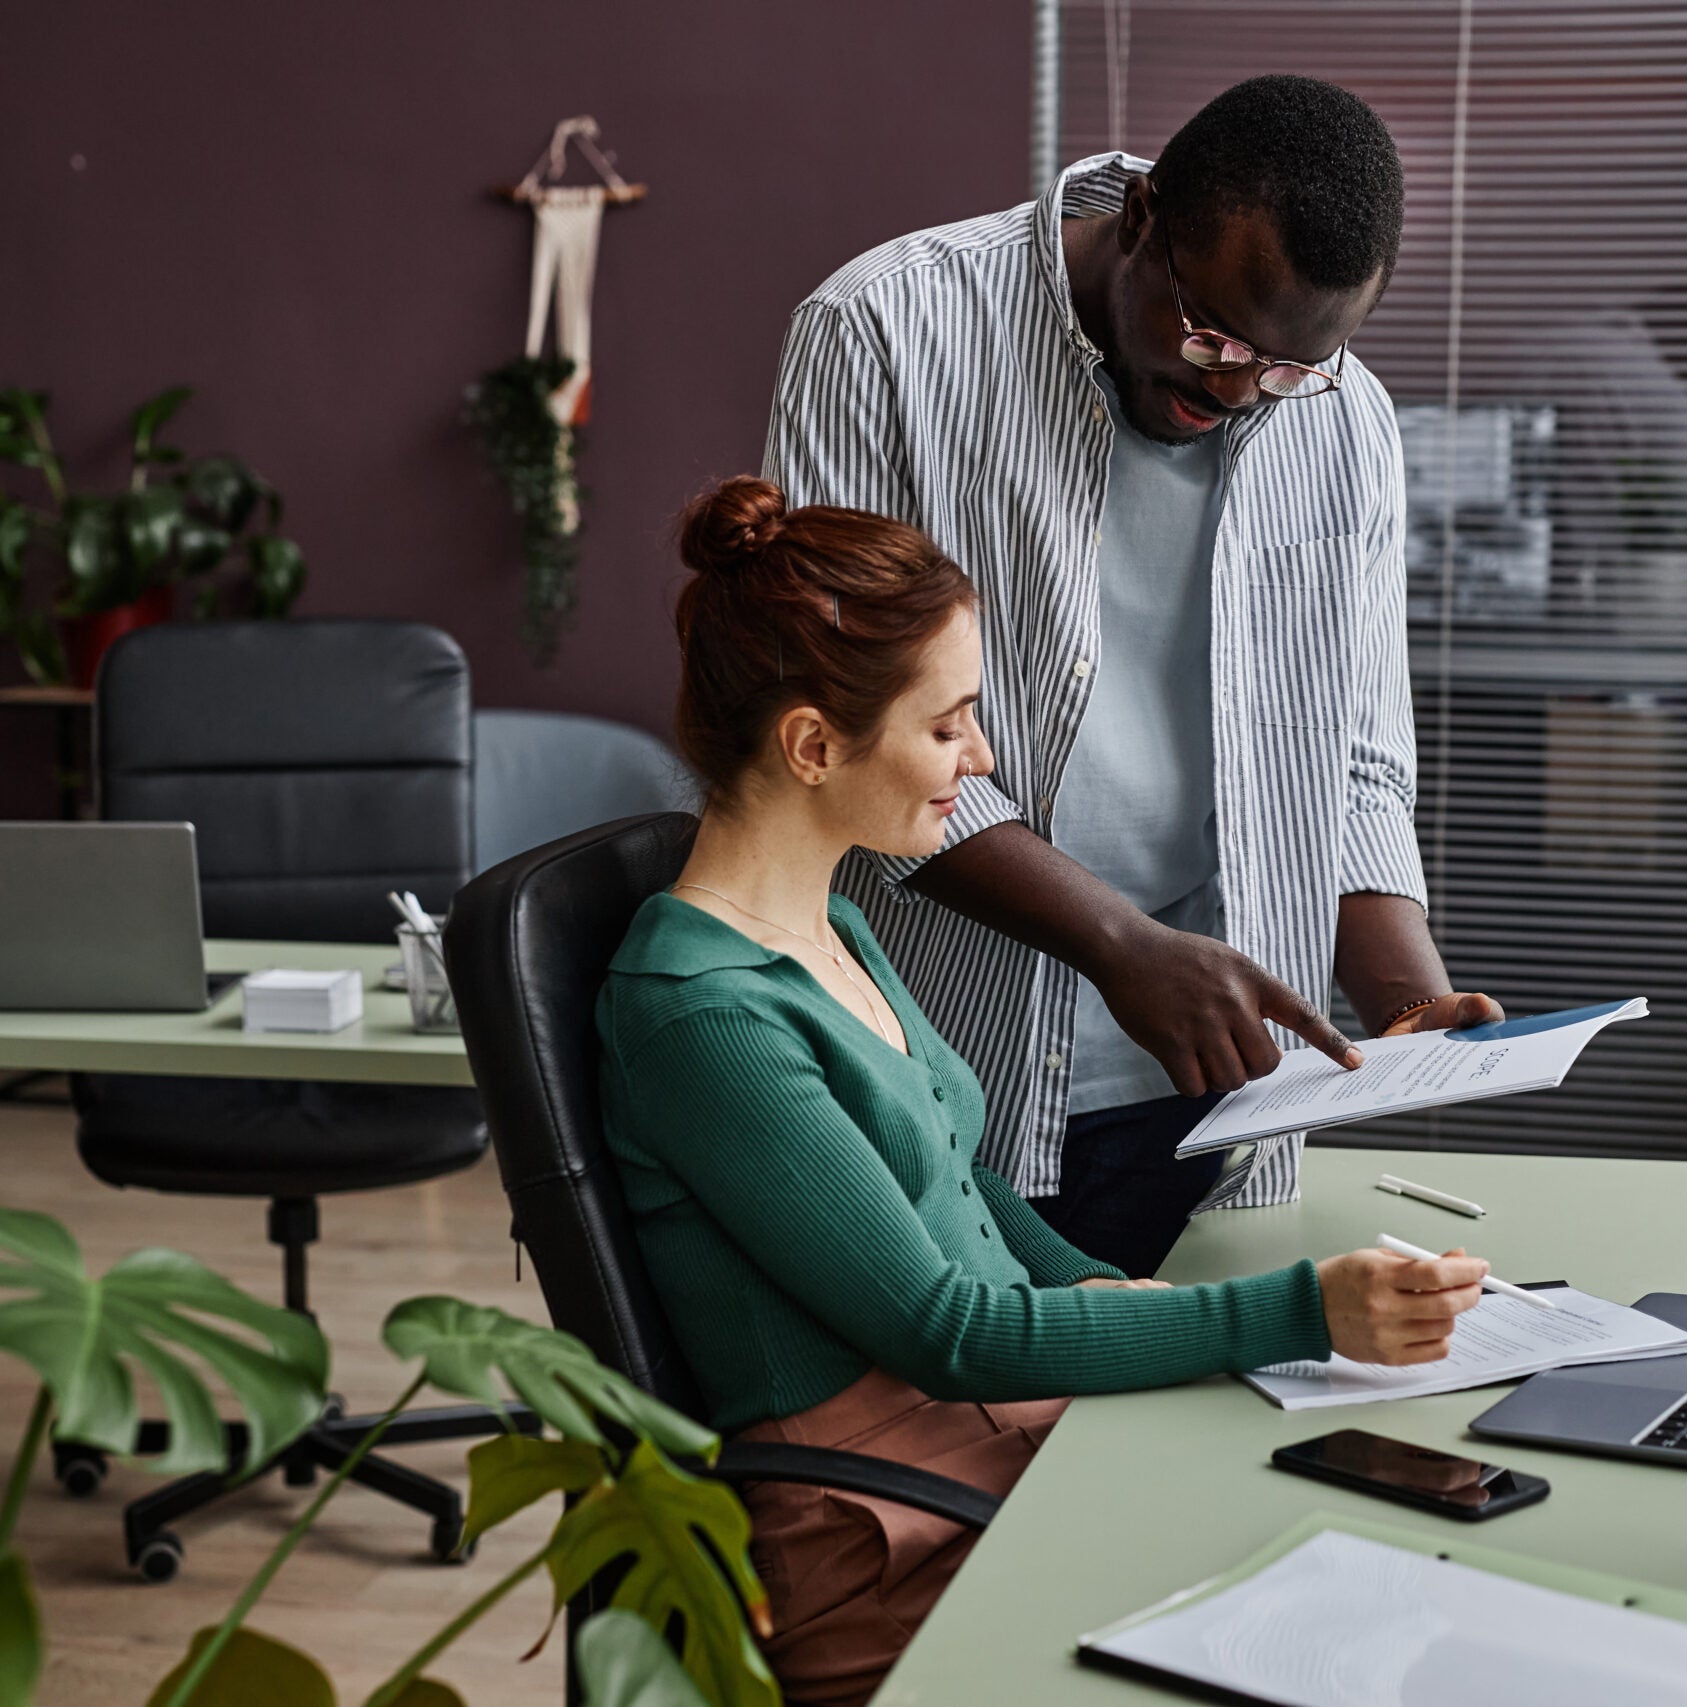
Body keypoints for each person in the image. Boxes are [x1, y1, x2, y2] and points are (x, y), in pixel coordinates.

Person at [597, 477, 1490, 1706]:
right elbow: (947, 1330)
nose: (982, 758)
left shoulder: (836, 928)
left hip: (994, 1439)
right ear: (813, 746)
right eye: (949, 724)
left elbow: (964, 1182)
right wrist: (1297, 1312)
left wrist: (1097, 1289)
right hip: (879, 1536)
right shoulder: (704, 1016)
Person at [764, 74, 1501, 1279]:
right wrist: (1120, 945)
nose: (1232, 390)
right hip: (942, 1060)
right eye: (1210, 335)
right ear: (1147, 216)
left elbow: (1350, 762)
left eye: (1283, 367)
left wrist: (1409, 1004)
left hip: (1224, 1082)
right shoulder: (888, 331)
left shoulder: (1344, 419)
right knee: (972, 1438)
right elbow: (848, 729)